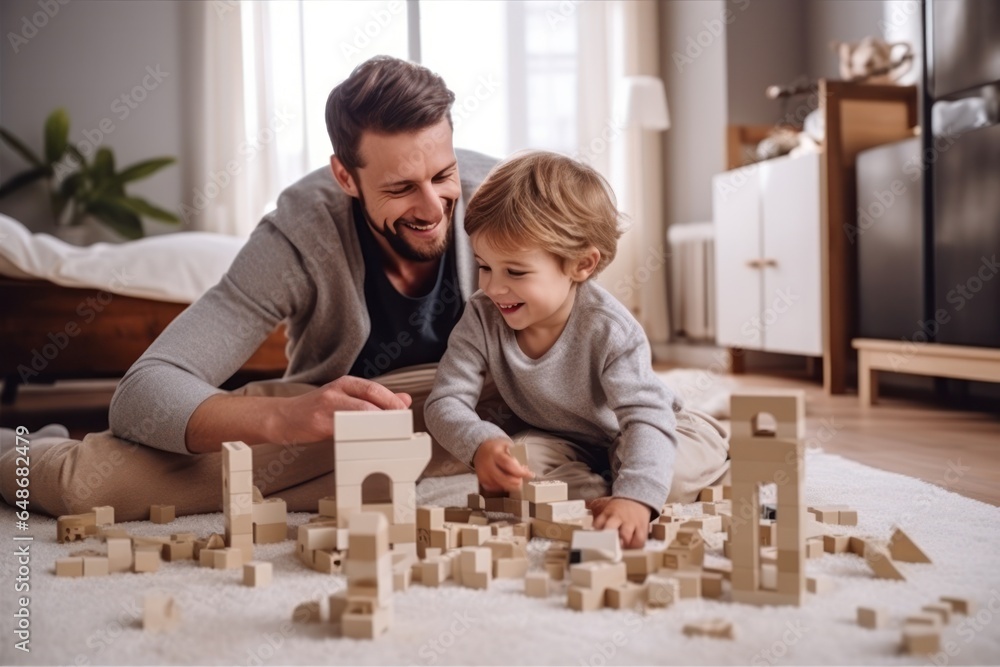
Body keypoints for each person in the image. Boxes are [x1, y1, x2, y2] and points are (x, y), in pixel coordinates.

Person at [0, 56, 510, 521]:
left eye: (443, 175)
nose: (431, 207)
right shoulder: (298, 232)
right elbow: (142, 393)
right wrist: (288, 418)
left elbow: (586, 334)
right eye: (400, 188)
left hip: (478, 408)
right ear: (346, 177)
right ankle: (19, 450)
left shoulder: (501, 198)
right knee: (88, 490)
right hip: (332, 433)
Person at [424, 151, 730, 548]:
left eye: (515, 271)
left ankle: (711, 458)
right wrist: (480, 442)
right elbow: (444, 401)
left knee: (663, 481)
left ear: (581, 265)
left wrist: (636, 498)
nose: (493, 287)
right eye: (484, 265)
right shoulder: (482, 318)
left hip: (649, 427)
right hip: (567, 442)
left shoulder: (610, 329)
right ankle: (606, 488)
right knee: (518, 473)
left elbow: (645, 417)